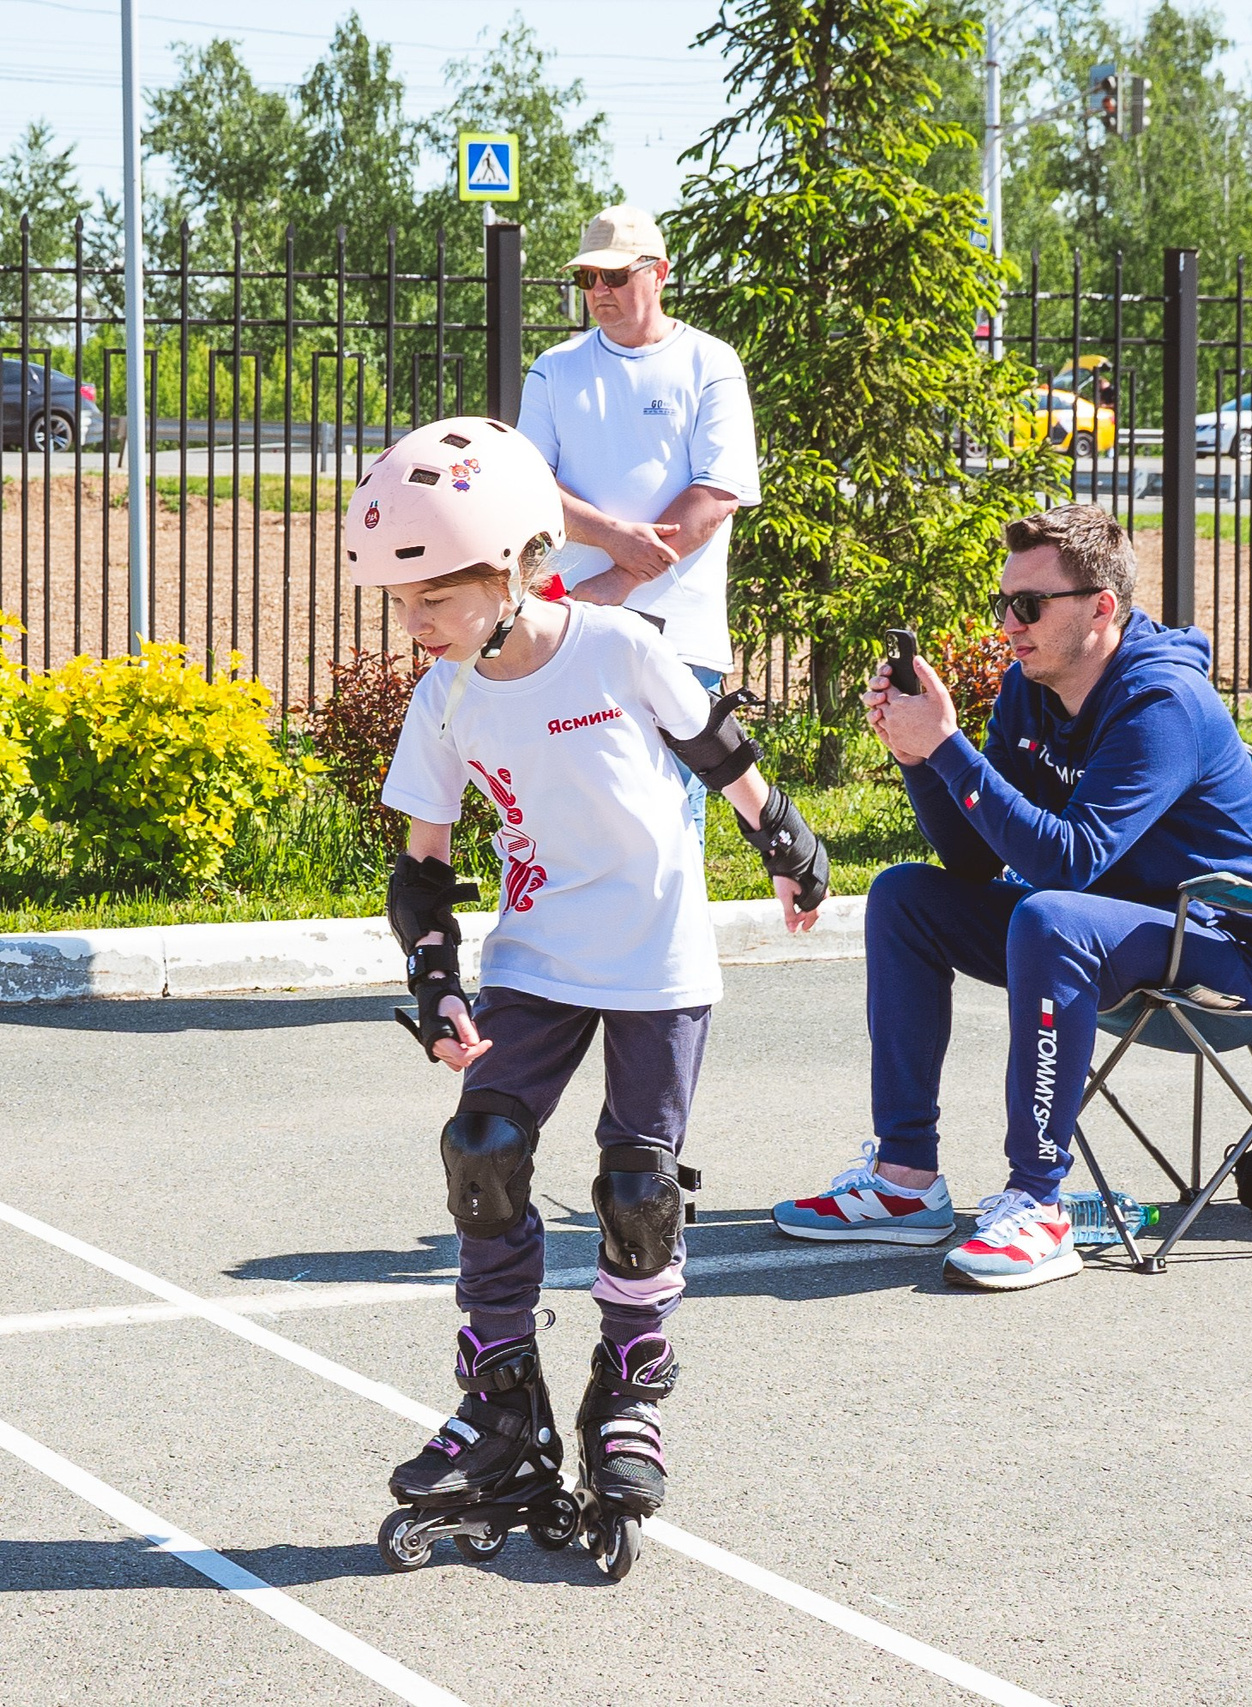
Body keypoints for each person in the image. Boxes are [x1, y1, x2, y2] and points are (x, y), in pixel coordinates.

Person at [356, 415, 830, 1579]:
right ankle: (501, 1400)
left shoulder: (615, 647)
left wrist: (783, 839)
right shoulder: (445, 698)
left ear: (517, 566)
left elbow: (714, 746)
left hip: (656, 956)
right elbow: (421, 868)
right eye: (401, 602)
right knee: (482, 1148)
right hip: (537, 954)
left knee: (636, 1185)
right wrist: (435, 980)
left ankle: (627, 1393)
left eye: (434, 598)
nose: (414, 624)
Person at [771, 504, 1252, 1290]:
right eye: (1004, 603)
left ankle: (1039, 1203)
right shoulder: (1032, 688)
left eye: (1028, 604)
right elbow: (972, 858)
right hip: (1112, 927)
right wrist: (920, 759)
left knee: (1052, 917)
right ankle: (905, 1179)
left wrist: (948, 745)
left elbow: (1069, 862)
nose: (1008, 624)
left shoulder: (1162, 702)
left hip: (1231, 951)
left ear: (1100, 607)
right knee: (905, 897)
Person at [515, 203, 762, 838]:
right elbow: (529, 481)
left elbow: (717, 494)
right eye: (587, 278)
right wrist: (616, 540)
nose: (600, 290)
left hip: (679, 637)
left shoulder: (710, 363)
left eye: (616, 276)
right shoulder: (554, 368)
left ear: (660, 273)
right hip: (573, 627)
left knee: (674, 811)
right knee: (579, 810)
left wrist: (618, 581)